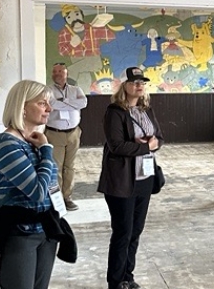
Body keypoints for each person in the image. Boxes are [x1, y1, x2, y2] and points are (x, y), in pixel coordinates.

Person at [0, 80, 72, 289]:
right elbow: (37, 191)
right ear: (23, 107)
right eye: (42, 103)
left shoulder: (33, 141)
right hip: (20, 232)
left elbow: (52, 182)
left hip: (45, 229)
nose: (49, 109)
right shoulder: (6, 143)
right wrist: (46, 150)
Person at [98, 67, 162, 289]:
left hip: (144, 178)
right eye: (134, 82)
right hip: (121, 181)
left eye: (142, 82)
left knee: (135, 231)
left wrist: (153, 144)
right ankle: (115, 282)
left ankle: (128, 276)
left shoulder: (146, 110)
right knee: (123, 232)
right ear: (124, 86)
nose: (139, 85)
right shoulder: (114, 112)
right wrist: (146, 147)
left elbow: (158, 138)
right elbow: (116, 146)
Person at [45, 62, 88, 211]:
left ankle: (67, 197)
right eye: (54, 71)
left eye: (60, 71)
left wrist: (65, 101)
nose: (57, 74)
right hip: (54, 133)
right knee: (56, 167)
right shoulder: (48, 90)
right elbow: (52, 105)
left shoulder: (76, 89)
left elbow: (83, 103)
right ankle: (56, 199)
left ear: (66, 74)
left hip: (73, 133)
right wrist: (71, 104)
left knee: (70, 167)